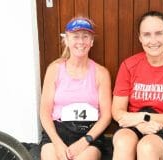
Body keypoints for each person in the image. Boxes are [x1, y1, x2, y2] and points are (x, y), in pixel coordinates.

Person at [112, 11, 163, 160]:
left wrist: (145, 117)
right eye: (147, 34)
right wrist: (139, 123)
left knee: (147, 146)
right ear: (140, 37)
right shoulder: (129, 66)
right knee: (124, 141)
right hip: (134, 126)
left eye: (158, 33)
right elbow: (117, 111)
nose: (153, 40)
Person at [40, 16, 112, 160]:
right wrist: (57, 143)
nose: (80, 42)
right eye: (75, 36)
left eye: (85, 37)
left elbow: (106, 116)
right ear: (66, 40)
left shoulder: (101, 73)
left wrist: (85, 141)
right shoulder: (54, 69)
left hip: (89, 133)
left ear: (91, 42)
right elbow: (44, 111)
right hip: (58, 131)